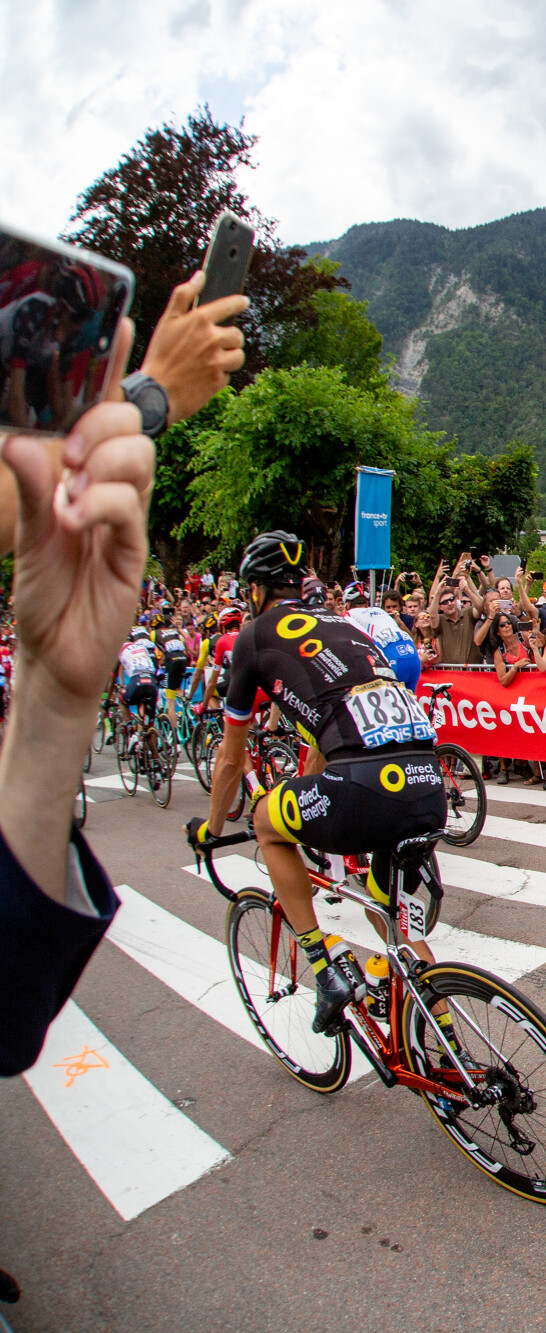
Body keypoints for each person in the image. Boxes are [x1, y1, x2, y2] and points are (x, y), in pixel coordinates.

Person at [191, 532, 447, 1036]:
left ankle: (325, 967)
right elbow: (325, 738)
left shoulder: (256, 634)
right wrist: (310, 789)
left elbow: (229, 758)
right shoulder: (344, 624)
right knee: (386, 911)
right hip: (428, 784)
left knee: (268, 824)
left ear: (255, 590)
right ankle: (452, 1045)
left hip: (362, 791)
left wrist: (212, 829)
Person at [2, 386, 159, 1077]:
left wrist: (57, 698)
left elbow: (9, 1020)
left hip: (127, 681)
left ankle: (141, 735)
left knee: (137, 707)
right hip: (138, 680)